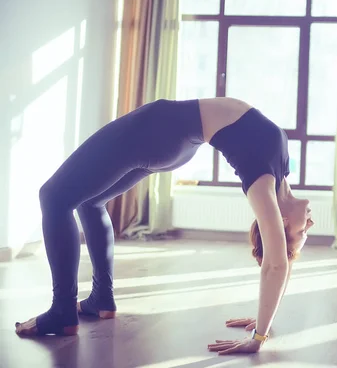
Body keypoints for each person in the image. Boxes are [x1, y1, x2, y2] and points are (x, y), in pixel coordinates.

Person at [15, 97, 314, 355]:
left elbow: (277, 264)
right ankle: (101, 299)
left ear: (282, 222)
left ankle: (62, 311)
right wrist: (267, 318)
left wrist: (259, 336)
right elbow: (282, 260)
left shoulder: (262, 184)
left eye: (302, 233)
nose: (310, 224)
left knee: (53, 197)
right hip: (176, 141)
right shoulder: (280, 173)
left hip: (159, 130)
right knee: (90, 201)